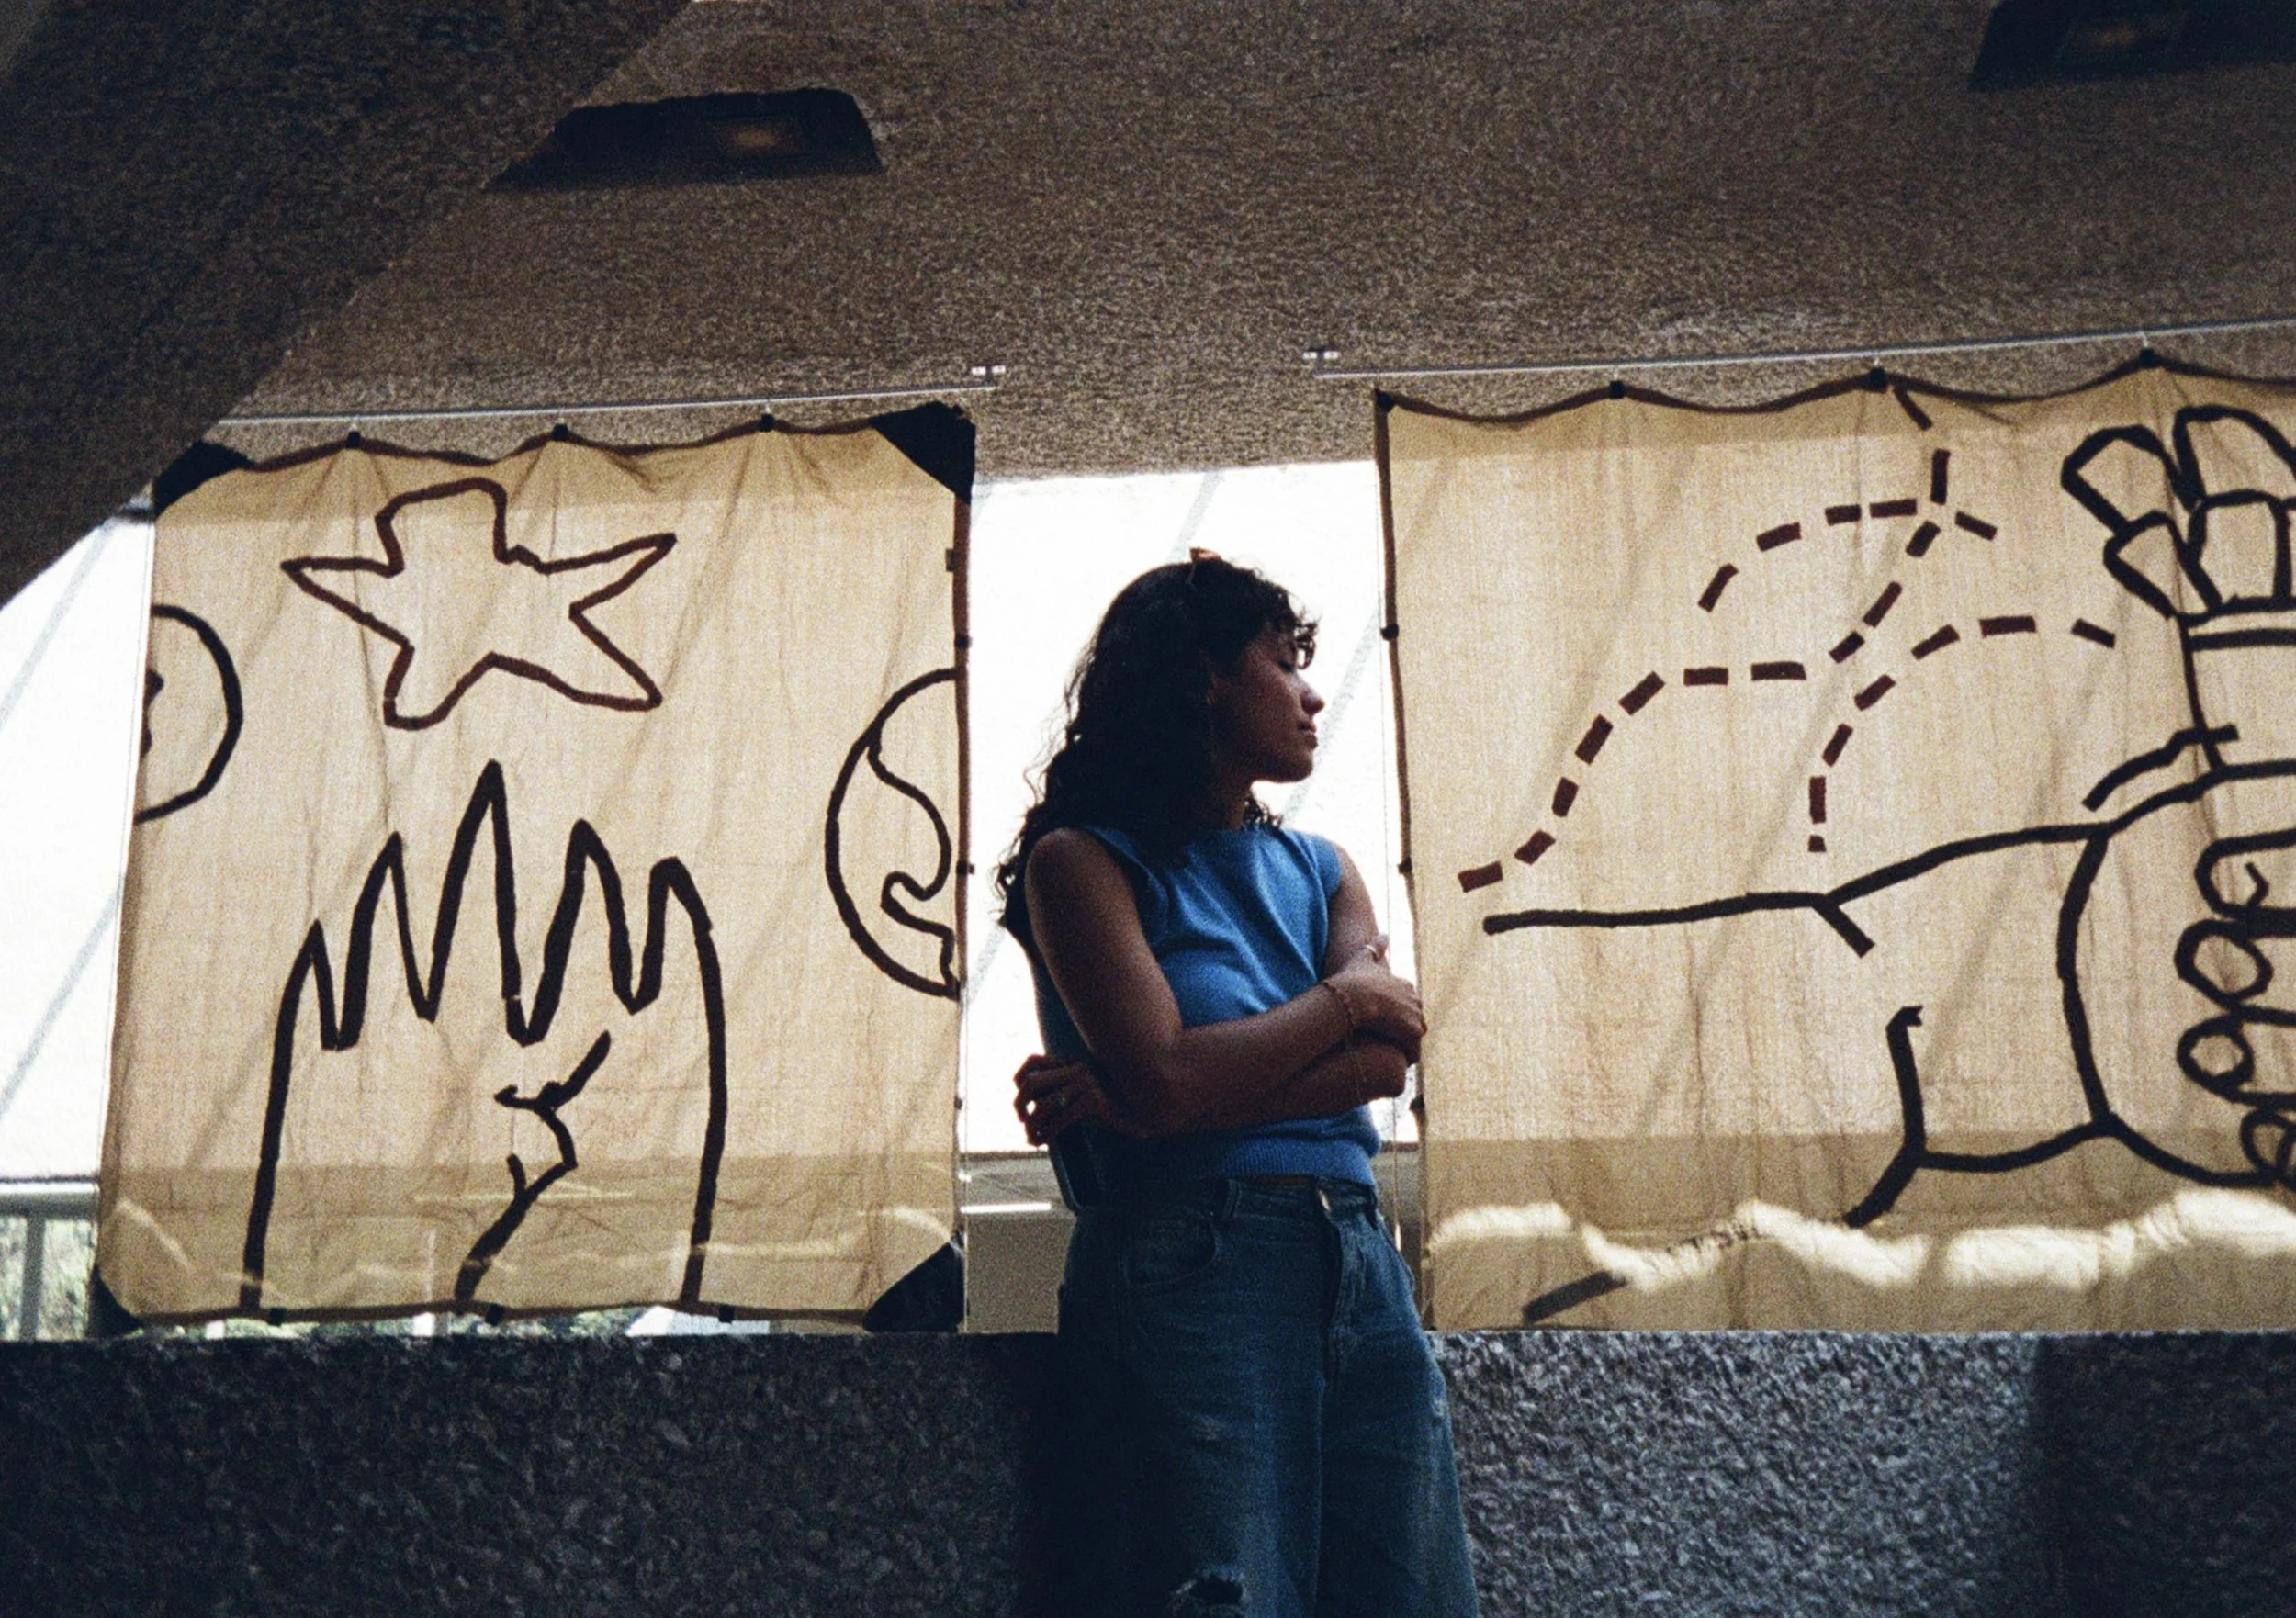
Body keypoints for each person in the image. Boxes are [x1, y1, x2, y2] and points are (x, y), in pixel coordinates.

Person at [995, 552, 1480, 1617]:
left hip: (1356, 1248)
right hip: (1190, 1254)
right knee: (1230, 1593)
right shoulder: (1079, 863)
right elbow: (1176, 1072)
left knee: (1413, 1596)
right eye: (1283, 661)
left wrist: (1154, 1100)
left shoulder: (1323, 868)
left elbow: (1386, 1060)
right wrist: (1339, 1004)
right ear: (1204, 677)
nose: (1312, 694)